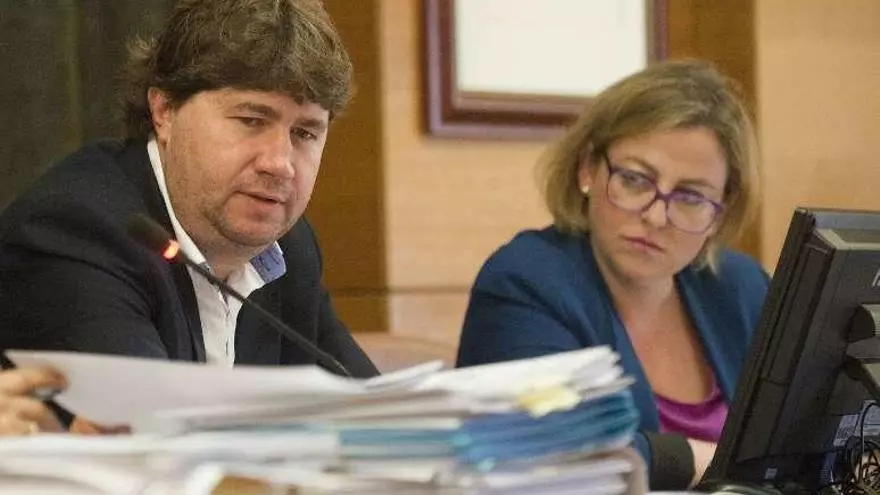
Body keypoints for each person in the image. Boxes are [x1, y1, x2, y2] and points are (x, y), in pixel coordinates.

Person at [0, 0, 377, 379]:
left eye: (305, 133)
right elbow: (146, 412)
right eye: (251, 120)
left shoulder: (289, 249)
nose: (280, 163)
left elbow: (370, 403)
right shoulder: (77, 234)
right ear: (164, 111)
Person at [456, 60, 768, 490]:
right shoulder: (526, 282)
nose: (656, 216)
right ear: (588, 168)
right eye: (635, 180)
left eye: (690, 197)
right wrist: (690, 458)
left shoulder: (741, 289)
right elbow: (550, 450)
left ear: (720, 213)